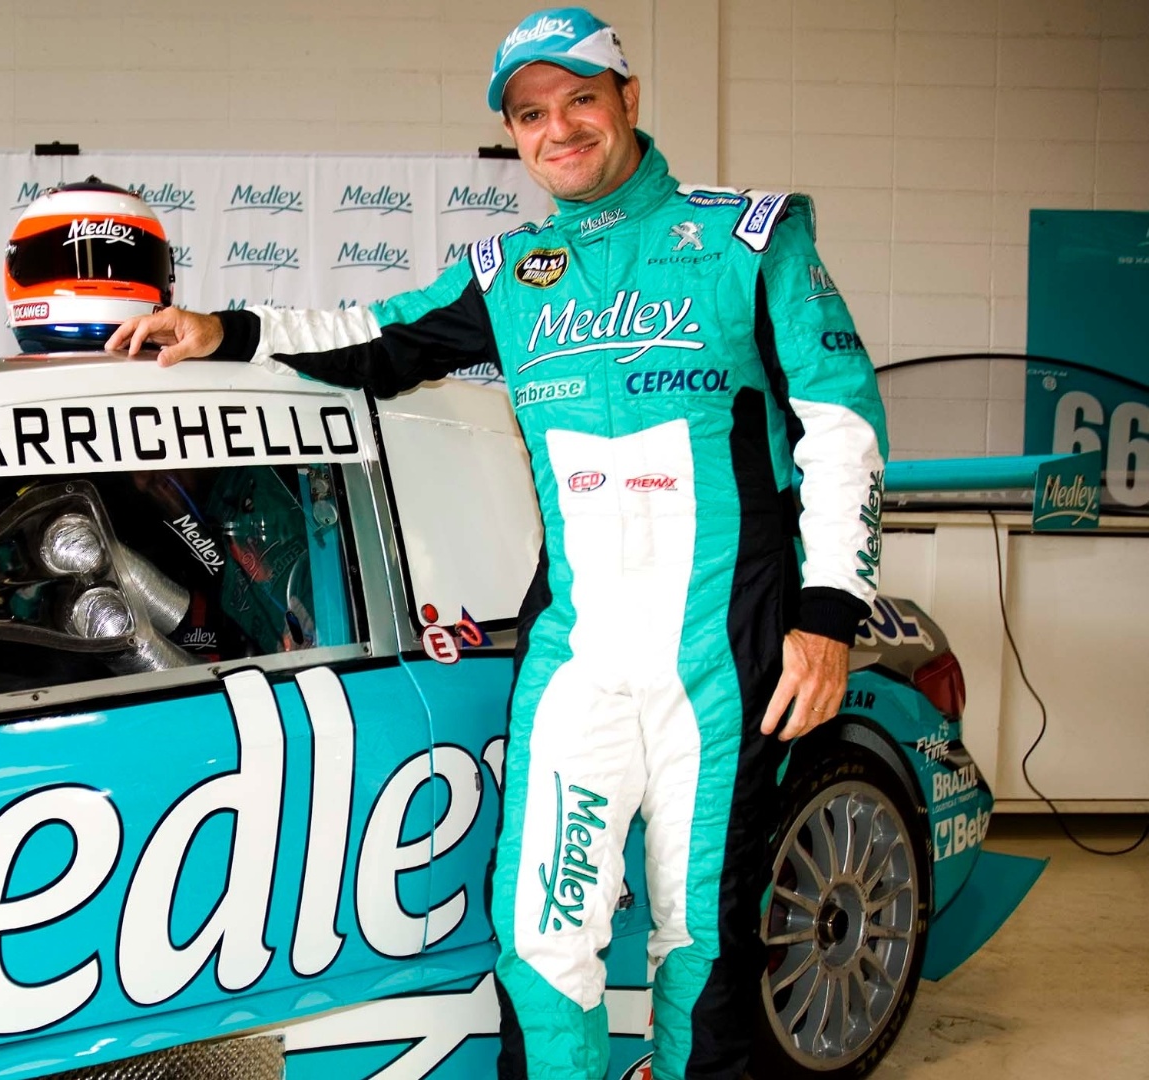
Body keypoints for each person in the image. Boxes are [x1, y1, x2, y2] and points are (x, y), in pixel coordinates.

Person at [105, 8, 889, 1080]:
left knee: (701, 932)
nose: (557, 129)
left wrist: (829, 615)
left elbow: (842, 426)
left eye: (580, 100)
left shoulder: (751, 240)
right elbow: (372, 338)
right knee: (539, 936)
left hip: (724, 650)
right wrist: (227, 332)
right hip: (578, 656)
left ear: (628, 100)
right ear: (513, 134)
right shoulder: (512, 270)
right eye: (530, 115)